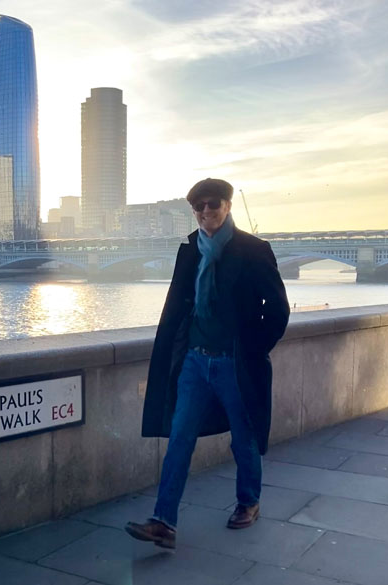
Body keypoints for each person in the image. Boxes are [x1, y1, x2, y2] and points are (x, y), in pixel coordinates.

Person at [125, 178, 289, 550]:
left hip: (235, 363)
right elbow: (179, 305)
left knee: (243, 438)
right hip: (195, 363)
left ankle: (249, 501)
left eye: (212, 204)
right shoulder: (191, 251)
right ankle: (164, 522)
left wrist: (253, 349)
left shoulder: (253, 249)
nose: (204, 212)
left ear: (227, 206)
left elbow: (278, 309)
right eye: (197, 207)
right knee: (180, 438)